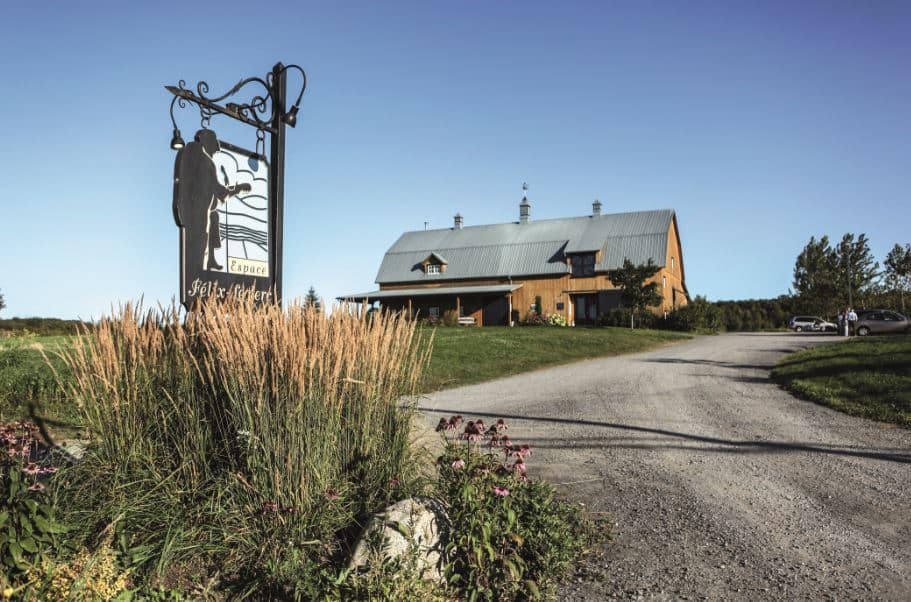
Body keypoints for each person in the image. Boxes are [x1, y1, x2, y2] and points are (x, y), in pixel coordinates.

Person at [173, 129, 251, 272]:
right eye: (214, 143)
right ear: (205, 140)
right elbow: (220, 192)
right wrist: (238, 189)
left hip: (187, 212)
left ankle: (210, 260)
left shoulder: (188, 154)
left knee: (214, 216)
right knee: (197, 258)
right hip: (198, 216)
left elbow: (206, 192)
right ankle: (202, 268)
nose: (217, 148)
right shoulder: (205, 161)